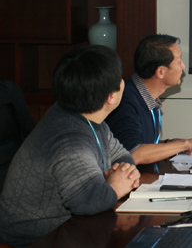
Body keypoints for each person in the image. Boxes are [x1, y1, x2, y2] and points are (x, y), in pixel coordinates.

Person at [0, 45, 140, 247]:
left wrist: (125, 171)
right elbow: (88, 202)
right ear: (111, 97)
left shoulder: (84, 115)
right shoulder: (70, 140)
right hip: (35, 238)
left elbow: (120, 154)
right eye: (120, 78)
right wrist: (116, 187)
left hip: (68, 227)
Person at [107, 34, 192, 165]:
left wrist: (172, 144)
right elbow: (133, 154)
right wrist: (187, 144)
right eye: (179, 61)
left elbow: (143, 144)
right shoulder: (126, 102)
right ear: (161, 71)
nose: (183, 66)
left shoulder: (144, 96)